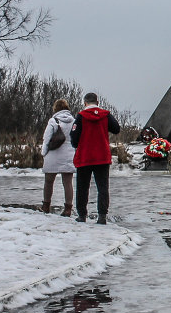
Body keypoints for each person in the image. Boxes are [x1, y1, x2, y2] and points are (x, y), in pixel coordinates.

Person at [70, 92, 120, 224]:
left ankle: (82, 215)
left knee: (82, 187)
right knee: (102, 187)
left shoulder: (80, 117)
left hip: (85, 155)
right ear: (97, 103)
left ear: (85, 103)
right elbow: (116, 129)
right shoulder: (105, 115)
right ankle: (102, 216)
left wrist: (76, 145)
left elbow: (74, 136)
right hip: (102, 156)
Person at [41, 99, 77, 215]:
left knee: (49, 181)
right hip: (68, 155)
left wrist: (44, 153)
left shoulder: (53, 121)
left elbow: (47, 139)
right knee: (67, 182)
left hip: (53, 155)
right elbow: (76, 138)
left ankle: (46, 206)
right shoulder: (74, 121)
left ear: (55, 109)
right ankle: (68, 209)